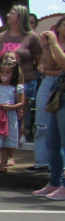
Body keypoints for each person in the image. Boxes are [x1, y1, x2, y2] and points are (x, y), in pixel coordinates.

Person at [0, 5, 42, 144]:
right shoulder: (1, 36)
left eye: (12, 13)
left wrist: (25, 73)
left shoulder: (31, 37)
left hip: (23, 82)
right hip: (1, 82)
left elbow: (39, 60)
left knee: (18, 115)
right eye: (9, 12)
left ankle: (12, 148)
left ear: (21, 16)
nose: (8, 15)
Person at [33, 26, 65, 200]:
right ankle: (55, 181)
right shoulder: (56, 46)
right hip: (59, 95)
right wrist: (47, 46)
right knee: (52, 142)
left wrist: (54, 44)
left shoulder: (58, 46)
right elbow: (51, 65)